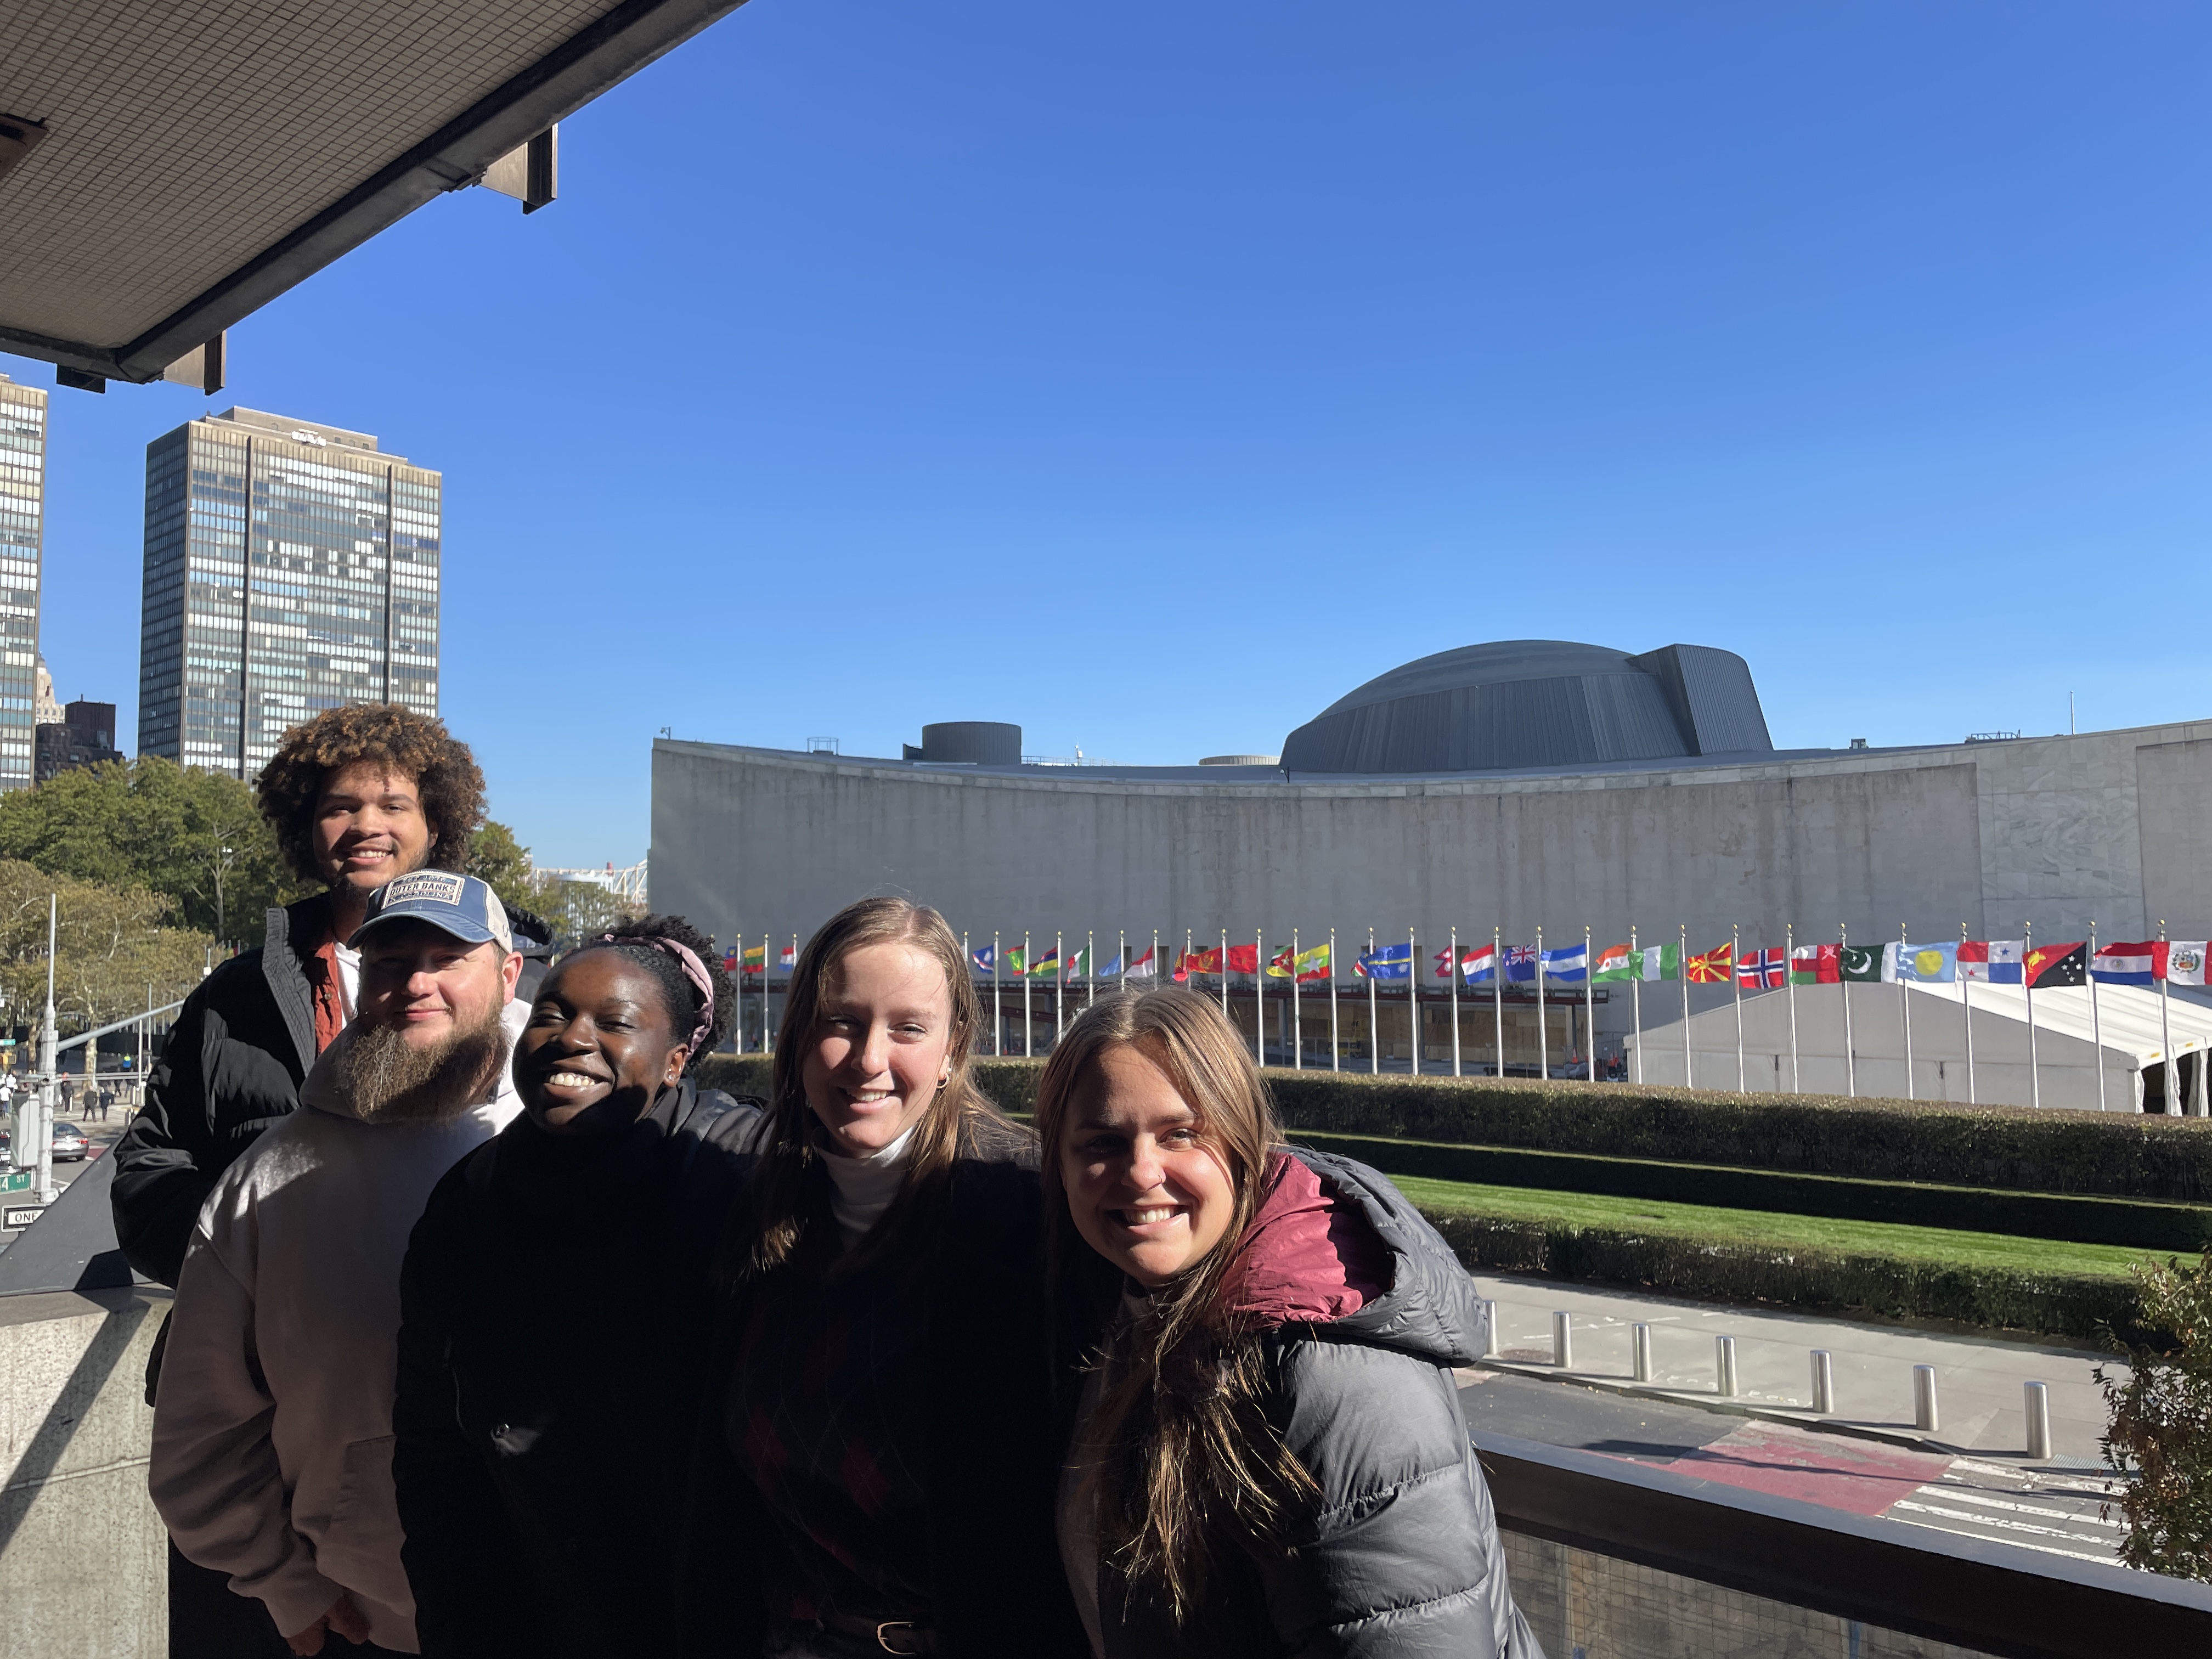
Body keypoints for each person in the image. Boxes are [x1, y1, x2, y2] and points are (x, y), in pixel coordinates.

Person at [115, 706, 511, 1658]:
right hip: (276, 1420)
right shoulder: (236, 991)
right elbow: (149, 1163)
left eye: (393, 801)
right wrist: (259, 1260)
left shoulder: (529, 1013)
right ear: (306, 824)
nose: (367, 823)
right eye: (339, 804)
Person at [1035, 988, 1542, 1659]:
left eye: (1181, 1133)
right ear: (1060, 1166)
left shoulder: (1329, 1367)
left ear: (1243, 1142)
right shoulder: (1121, 1306)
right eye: (1102, 1142)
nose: (1142, 1172)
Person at [684, 897, 1086, 1658]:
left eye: (907, 1028)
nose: (869, 1059)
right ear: (799, 1034)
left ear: (953, 1049)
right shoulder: (749, 1203)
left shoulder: (1035, 1213)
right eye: (841, 1022)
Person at [396, 915, 764, 1659]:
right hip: (535, 1617)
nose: (570, 1037)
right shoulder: (466, 1203)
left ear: (677, 1059)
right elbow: (434, 1448)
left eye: (615, 1022)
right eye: (554, 1013)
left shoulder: (751, 1180)